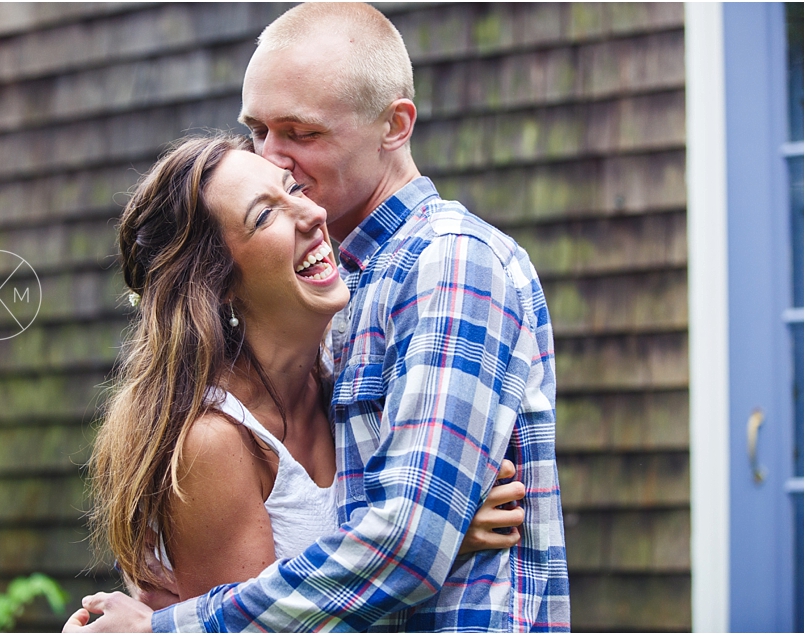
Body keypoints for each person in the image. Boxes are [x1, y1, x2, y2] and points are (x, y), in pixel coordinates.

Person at [67, 2, 568, 631]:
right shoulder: (335, 298)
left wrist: (166, 629)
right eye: (258, 131)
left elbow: (408, 542)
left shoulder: (447, 263)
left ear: (395, 125)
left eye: (301, 134)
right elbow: (400, 534)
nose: (273, 161)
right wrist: (439, 532)